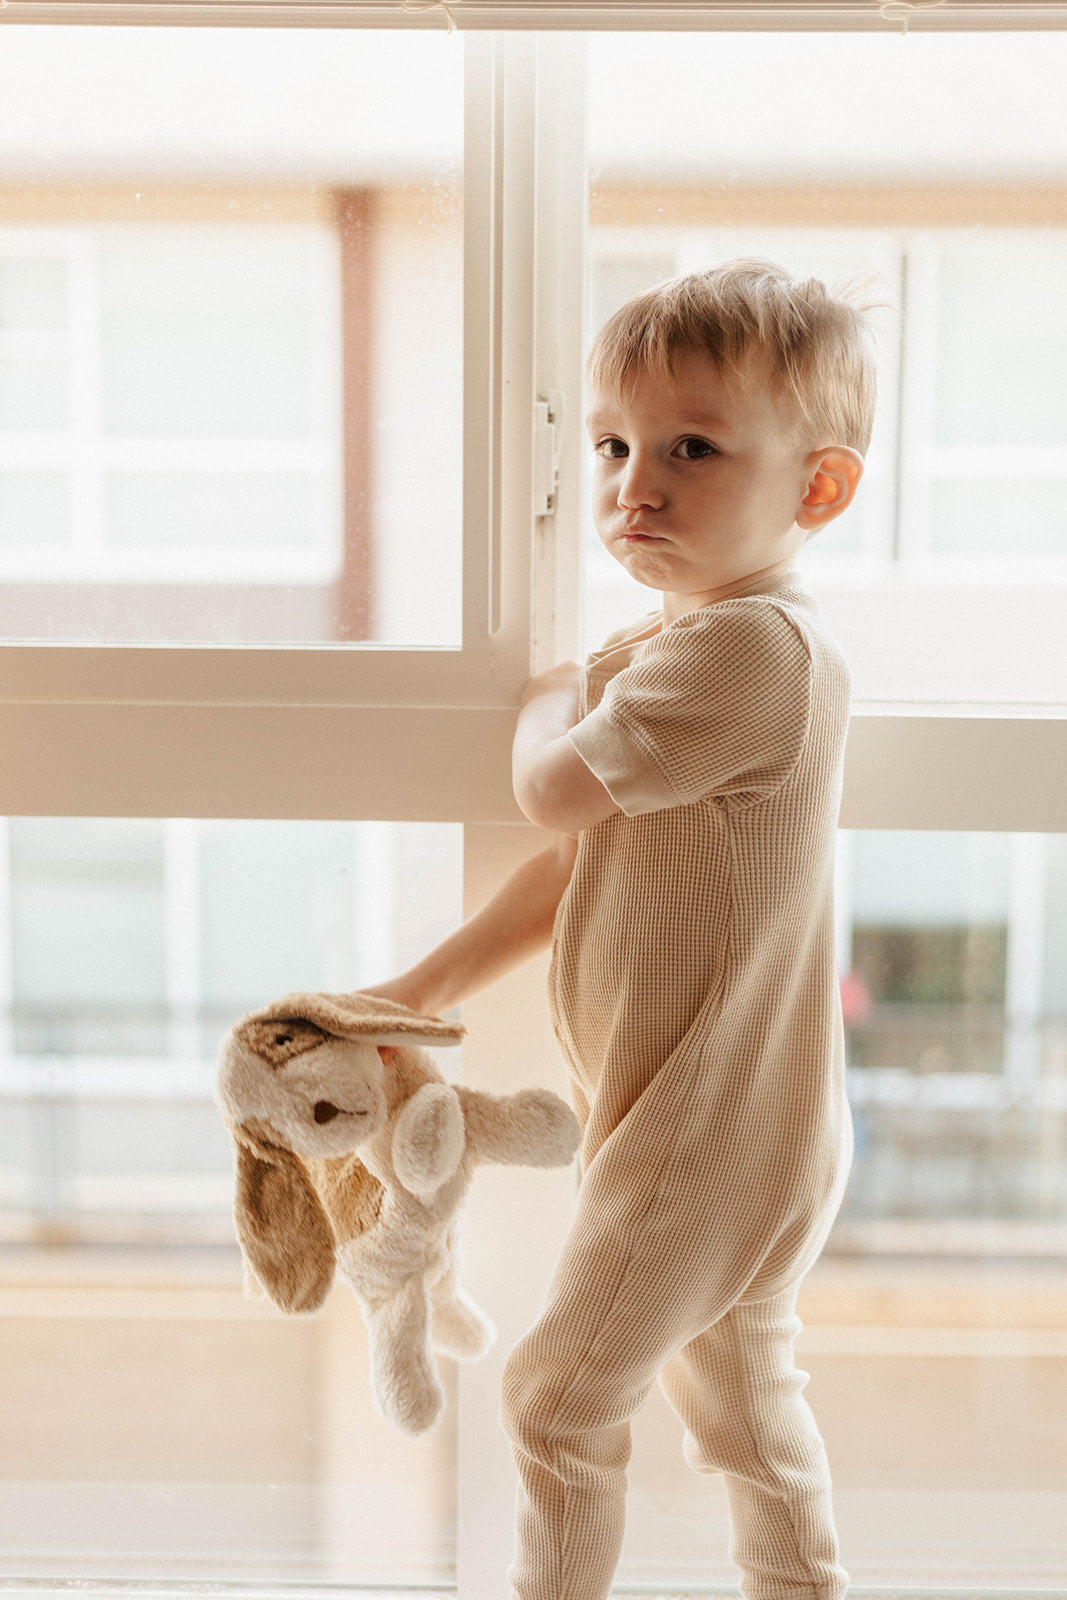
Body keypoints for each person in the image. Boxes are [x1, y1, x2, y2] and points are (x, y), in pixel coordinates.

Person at [367, 259, 875, 1600]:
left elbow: (552, 786)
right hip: (734, 1122)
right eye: (612, 446)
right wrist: (423, 988)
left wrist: (543, 691)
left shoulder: (750, 652)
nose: (631, 486)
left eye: (690, 449)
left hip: (706, 1135)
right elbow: (585, 859)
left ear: (816, 488)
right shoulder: (686, 641)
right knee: (743, 1403)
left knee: (556, 1400)